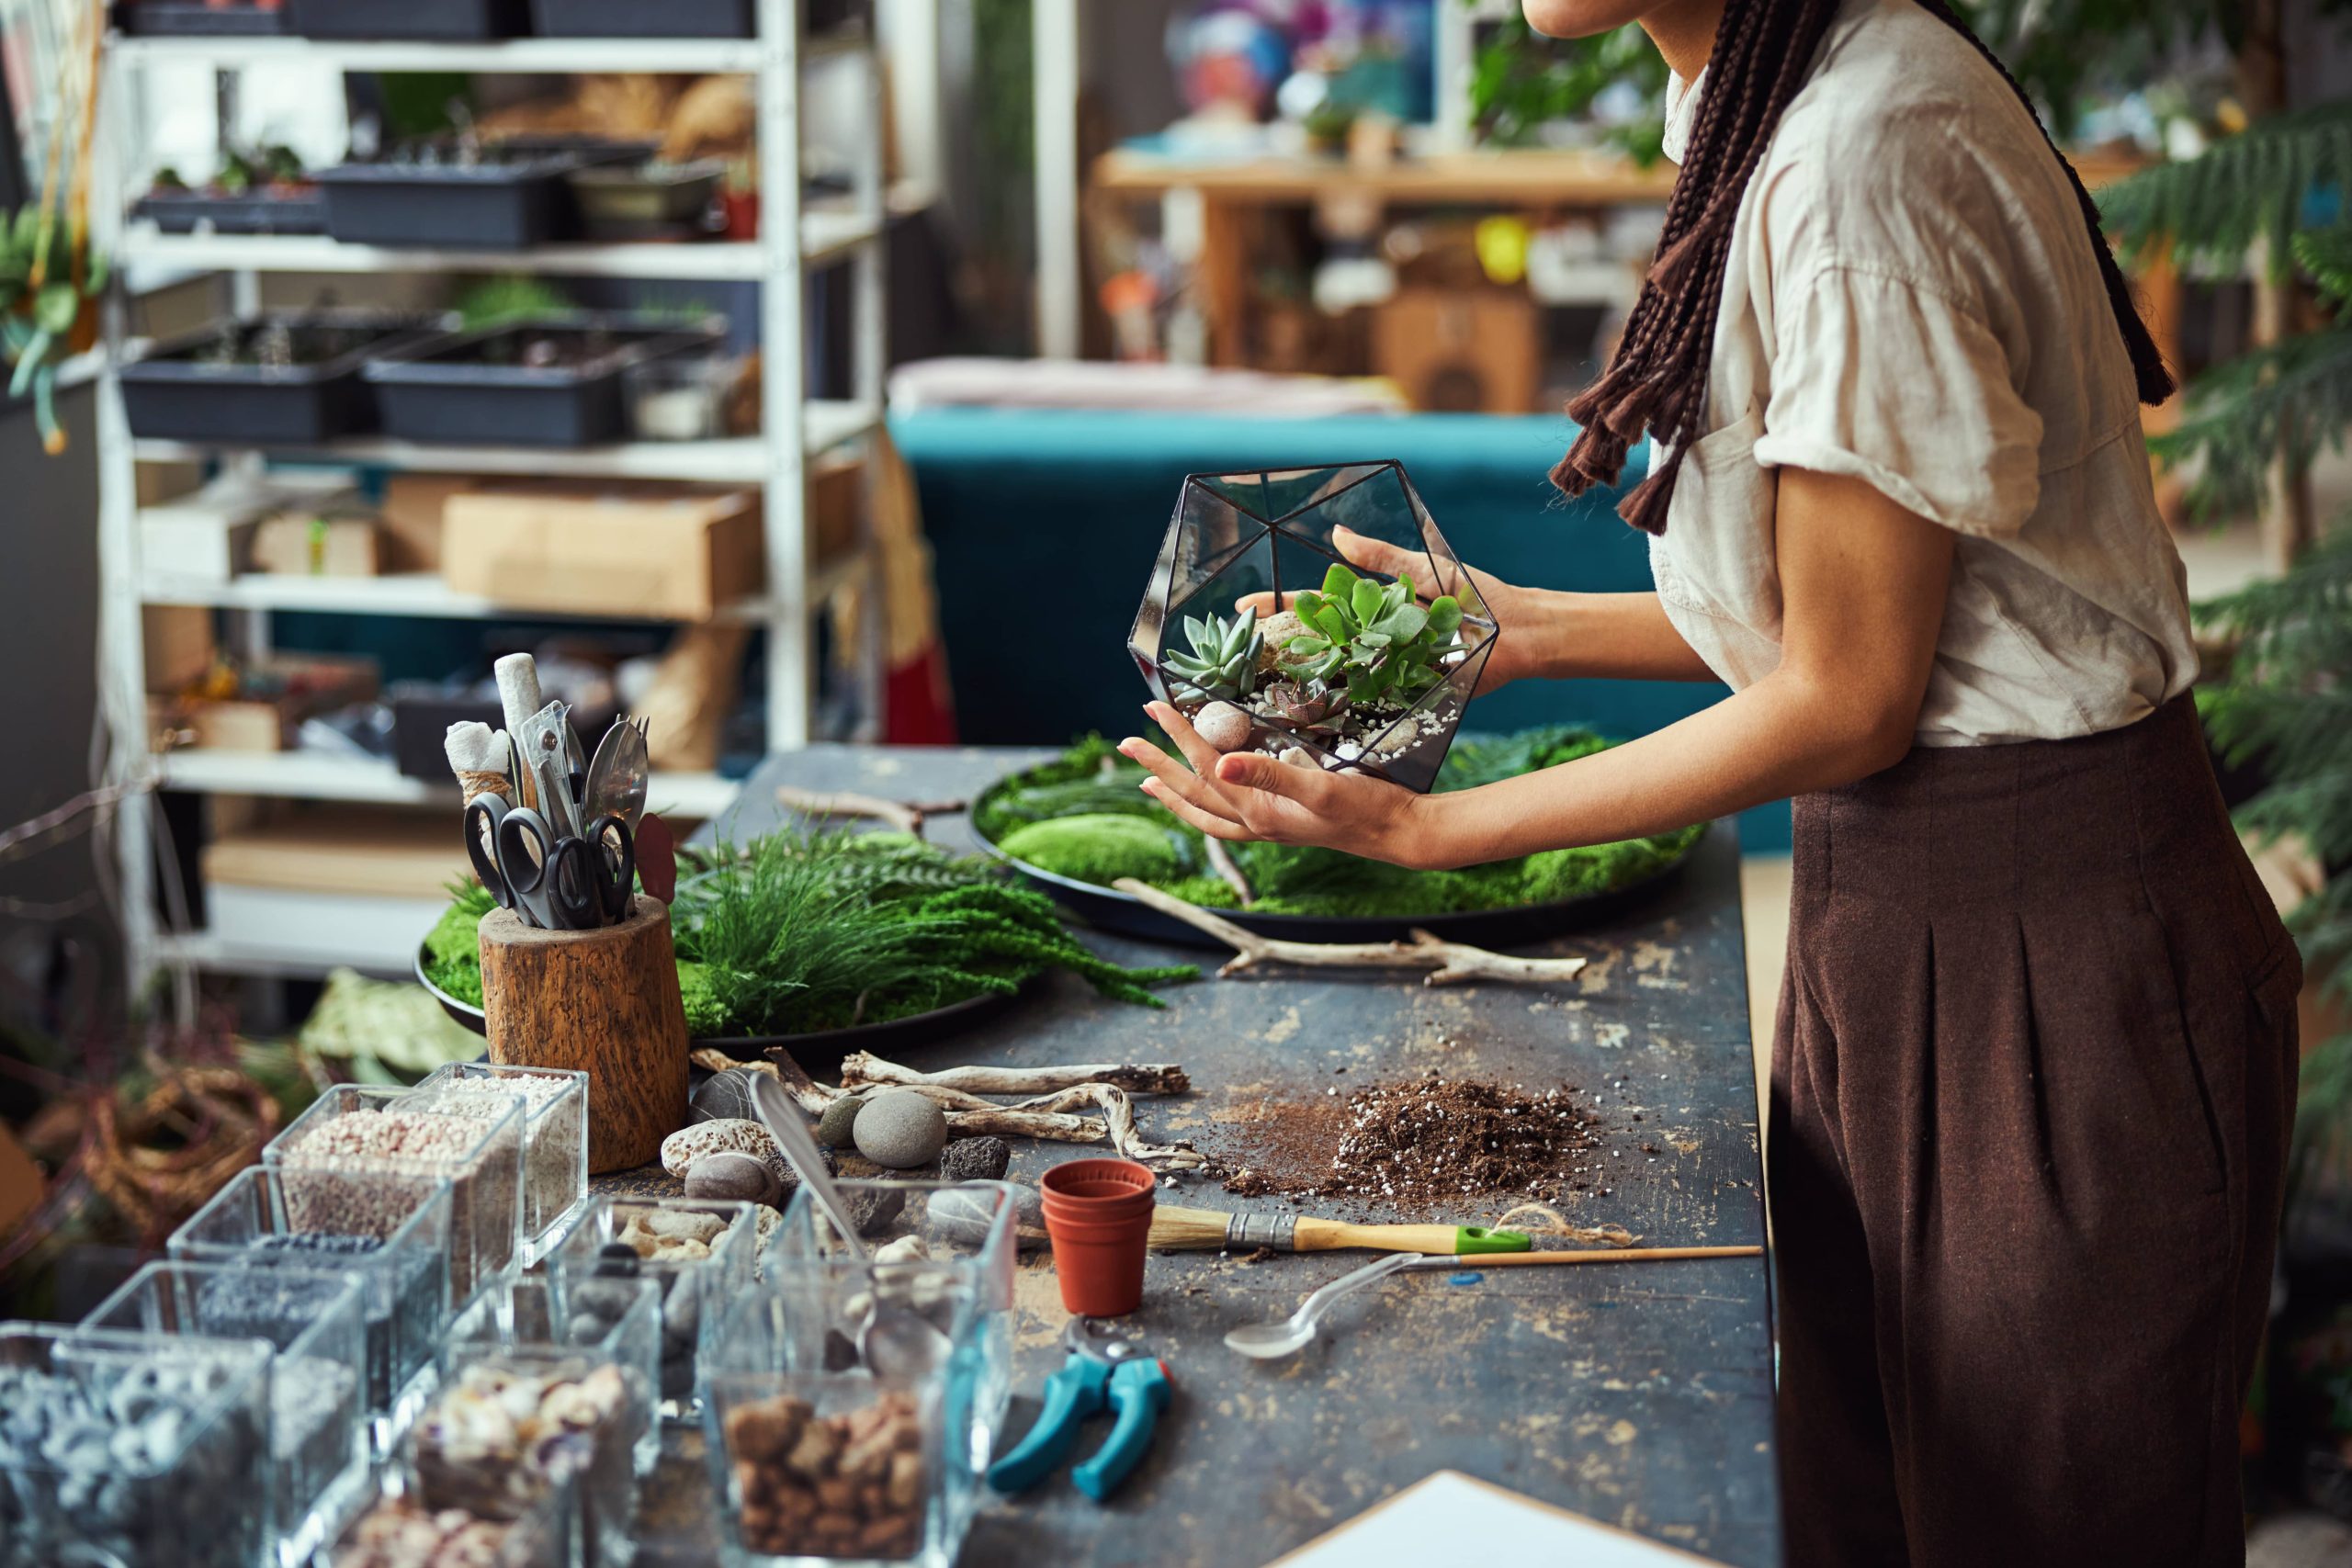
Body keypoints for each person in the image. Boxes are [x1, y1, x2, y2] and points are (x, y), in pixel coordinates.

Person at [1118, 1, 2304, 1563]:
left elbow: (1849, 694)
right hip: (1894, 927)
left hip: (2050, 966)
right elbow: (1850, 618)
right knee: (1863, 1508)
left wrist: (1433, 829)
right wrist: (1508, 634)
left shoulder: (1855, 153)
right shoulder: (1773, 98)